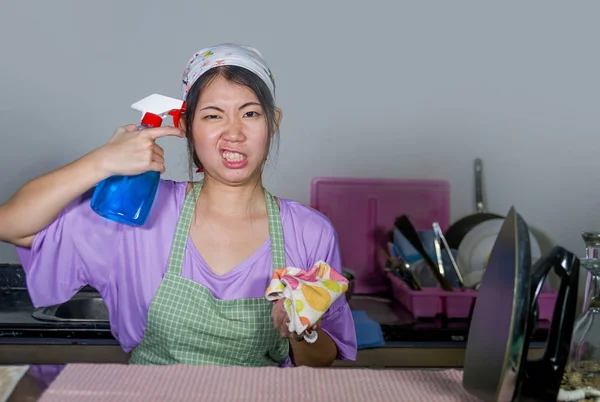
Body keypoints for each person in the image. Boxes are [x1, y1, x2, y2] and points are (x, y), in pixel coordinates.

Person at [0, 43, 357, 367]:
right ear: (187, 126)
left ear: (273, 122)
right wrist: (101, 162)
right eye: (213, 116)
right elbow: (11, 225)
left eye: (250, 114)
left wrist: (300, 329)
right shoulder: (142, 213)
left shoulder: (310, 232)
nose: (234, 133)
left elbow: (323, 358)